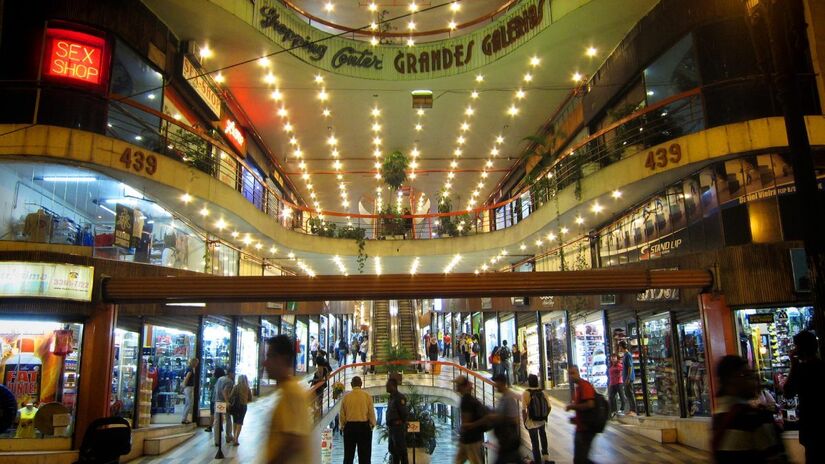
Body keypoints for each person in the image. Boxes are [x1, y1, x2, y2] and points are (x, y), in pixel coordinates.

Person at [711, 355, 786, 463]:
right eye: (746, 375)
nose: (754, 380)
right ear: (730, 380)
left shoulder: (718, 415)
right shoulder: (753, 417)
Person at [263, 335, 312, 464]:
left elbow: (294, 442)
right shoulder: (285, 393)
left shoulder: (293, 394)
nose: (265, 363)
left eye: (270, 356)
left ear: (283, 359)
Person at [782, 330, 824, 463]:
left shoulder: (802, 369)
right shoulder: (821, 366)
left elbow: (788, 392)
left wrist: (793, 365)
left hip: (811, 425)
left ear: (801, 349)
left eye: (796, 346)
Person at [340, 376, 376, 464]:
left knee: (348, 456)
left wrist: (343, 426)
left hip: (350, 427)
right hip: (364, 427)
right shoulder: (367, 396)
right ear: (361, 384)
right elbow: (371, 413)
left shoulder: (346, 397)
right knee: (365, 457)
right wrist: (372, 425)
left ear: (351, 385)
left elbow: (342, 415)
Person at [565, 365, 597, 464]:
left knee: (580, 460)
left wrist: (572, 407)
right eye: (569, 374)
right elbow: (583, 408)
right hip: (581, 427)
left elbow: (590, 404)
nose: (571, 376)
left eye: (573, 373)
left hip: (585, 430)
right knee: (581, 459)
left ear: (578, 373)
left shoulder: (584, 385)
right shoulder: (578, 388)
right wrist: (575, 419)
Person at [453, 375, 486, 464]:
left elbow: (466, 424)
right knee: (458, 461)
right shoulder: (471, 399)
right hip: (469, 439)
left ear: (463, 386)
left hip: (470, 440)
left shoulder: (466, 401)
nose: (456, 388)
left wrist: (462, 429)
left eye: (458, 385)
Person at [523, 374, 554, 464]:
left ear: (529, 382)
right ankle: (546, 457)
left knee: (535, 442)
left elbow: (523, 409)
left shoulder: (526, 393)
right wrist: (544, 416)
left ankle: (537, 461)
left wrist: (525, 421)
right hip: (541, 420)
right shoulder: (543, 392)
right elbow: (549, 407)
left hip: (531, 422)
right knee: (543, 437)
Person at [490, 373, 521, 464]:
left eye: (496, 383)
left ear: (502, 383)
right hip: (505, 441)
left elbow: (515, 419)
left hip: (509, 441)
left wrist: (499, 418)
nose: (495, 385)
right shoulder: (503, 397)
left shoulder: (509, 398)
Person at [386, 377, 409, 464]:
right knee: (393, 451)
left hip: (398, 428)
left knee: (402, 451)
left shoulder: (399, 398)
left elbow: (404, 414)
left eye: (387, 386)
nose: (386, 387)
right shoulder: (391, 398)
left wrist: (400, 424)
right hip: (392, 428)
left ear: (393, 386)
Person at [213, 367, 235, 446]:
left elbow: (216, 389)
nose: (234, 375)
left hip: (217, 401)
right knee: (228, 418)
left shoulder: (220, 379)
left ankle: (217, 440)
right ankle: (228, 435)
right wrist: (227, 401)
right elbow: (225, 391)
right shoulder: (229, 381)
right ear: (230, 373)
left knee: (217, 421)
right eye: (233, 373)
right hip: (224, 402)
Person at [229, 374, 252, 446]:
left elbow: (231, 396)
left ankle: (234, 438)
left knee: (235, 422)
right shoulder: (247, 388)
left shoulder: (236, 387)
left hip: (236, 406)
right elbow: (250, 398)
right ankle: (236, 438)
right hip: (243, 406)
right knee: (240, 422)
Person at [204, 367, 225, 433]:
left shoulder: (212, 379)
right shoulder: (224, 379)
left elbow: (209, 388)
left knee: (212, 413)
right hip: (221, 398)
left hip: (213, 397)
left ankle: (210, 426)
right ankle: (221, 426)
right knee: (221, 412)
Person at [618, 341, 636, 415]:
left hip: (628, 378)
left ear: (622, 346)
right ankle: (631, 409)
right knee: (628, 394)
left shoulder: (628, 355)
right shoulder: (625, 355)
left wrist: (628, 378)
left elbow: (630, 367)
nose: (619, 348)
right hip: (626, 378)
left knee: (630, 394)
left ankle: (633, 410)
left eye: (619, 346)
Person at [180, 357, 198, 424]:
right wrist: (184, 385)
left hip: (187, 387)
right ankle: (184, 419)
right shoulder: (190, 369)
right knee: (189, 403)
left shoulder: (188, 368)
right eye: (196, 363)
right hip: (188, 387)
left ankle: (184, 418)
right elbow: (187, 378)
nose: (197, 364)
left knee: (187, 403)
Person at [607, 354, 625, 419]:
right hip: (612, 384)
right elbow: (610, 375)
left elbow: (622, 371)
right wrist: (609, 383)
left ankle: (622, 409)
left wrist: (620, 374)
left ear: (617, 358)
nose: (613, 359)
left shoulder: (619, 365)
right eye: (612, 357)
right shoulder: (610, 366)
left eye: (614, 357)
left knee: (621, 396)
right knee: (611, 397)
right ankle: (613, 410)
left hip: (618, 383)